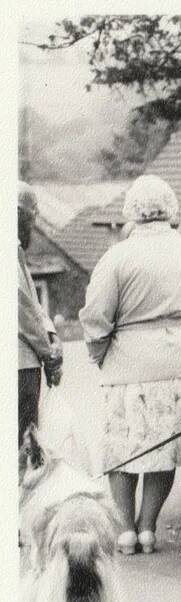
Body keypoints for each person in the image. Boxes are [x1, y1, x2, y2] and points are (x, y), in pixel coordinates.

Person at [80, 174, 181, 556]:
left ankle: (125, 530)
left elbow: (96, 316)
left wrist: (99, 352)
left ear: (132, 211)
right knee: (165, 447)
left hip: (130, 364)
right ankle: (148, 527)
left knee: (123, 447)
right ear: (170, 208)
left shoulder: (116, 257)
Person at [17, 182, 63, 444]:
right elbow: (23, 310)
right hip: (20, 366)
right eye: (32, 216)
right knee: (25, 445)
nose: (34, 226)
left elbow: (31, 305)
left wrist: (51, 333)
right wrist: (50, 355)